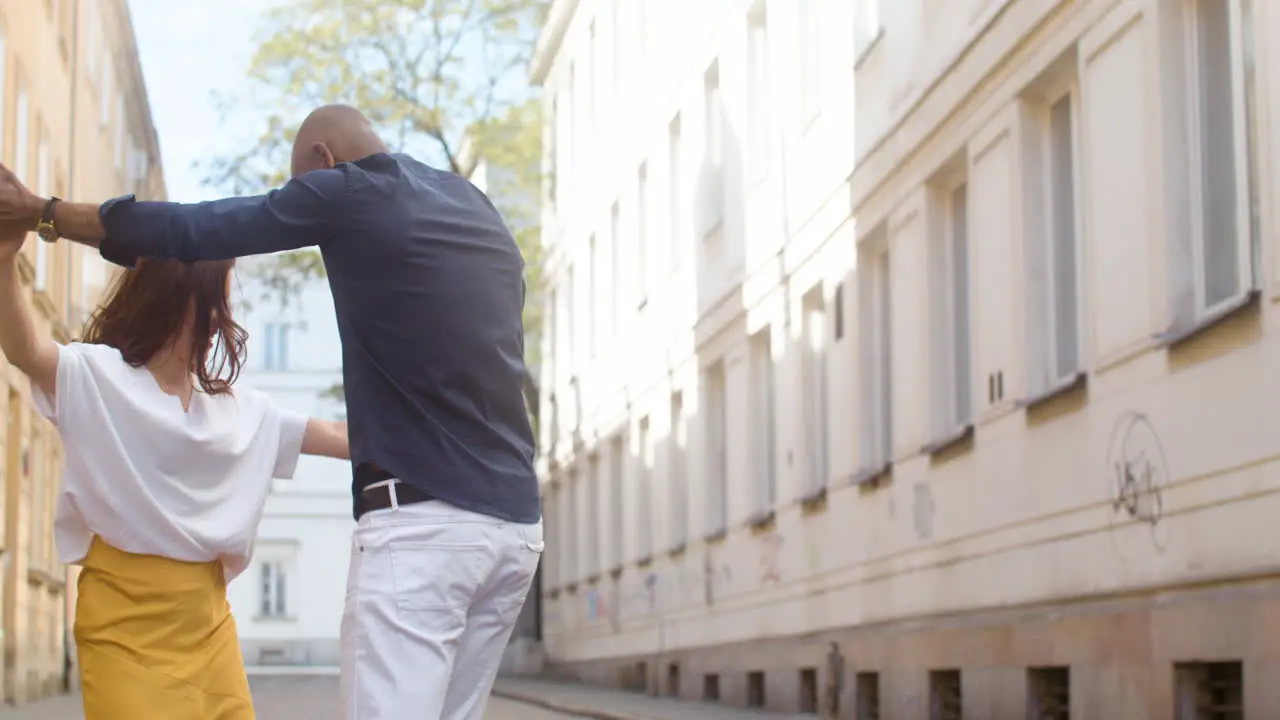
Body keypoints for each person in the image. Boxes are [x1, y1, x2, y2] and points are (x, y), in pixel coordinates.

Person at [0, 104, 543, 719]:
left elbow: (198, 229)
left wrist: (44, 214)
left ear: (324, 162)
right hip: (513, 531)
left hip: (419, 535)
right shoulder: (474, 206)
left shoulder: (349, 194)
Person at [0, 227, 350, 718]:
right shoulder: (99, 376)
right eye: (225, 288)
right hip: (125, 624)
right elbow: (26, 351)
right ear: (194, 298)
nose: (229, 307)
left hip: (209, 626)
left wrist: (438, 427)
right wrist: (4, 259)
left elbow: (337, 437)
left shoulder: (235, 411)